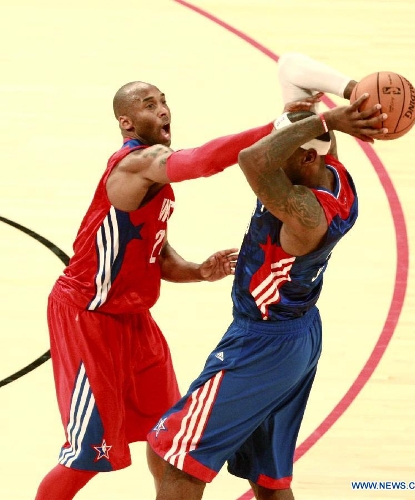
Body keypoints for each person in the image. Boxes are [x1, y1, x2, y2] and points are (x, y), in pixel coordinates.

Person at [34, 80, 299, 500]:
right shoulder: (137, 164)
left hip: (135, 321)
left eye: (163, 101)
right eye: (148, 104)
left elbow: (152, 249)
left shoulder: (152, 179)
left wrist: (196, 271)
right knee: (86, 455)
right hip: (88, 317)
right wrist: (277, 126)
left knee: (170, 438)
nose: (161, 109)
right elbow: (203, 160)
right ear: (126, 122)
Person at [146, 53, 387, 500]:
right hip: (295, 336)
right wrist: (353, 92)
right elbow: (292, 67)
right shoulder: (330, 170)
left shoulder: (308, 216)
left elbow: (251, 160)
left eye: (285, 156)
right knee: (268, 479)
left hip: (263, 343)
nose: (275, 162)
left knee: (172, 457)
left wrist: (327, 118)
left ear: (307, 161)